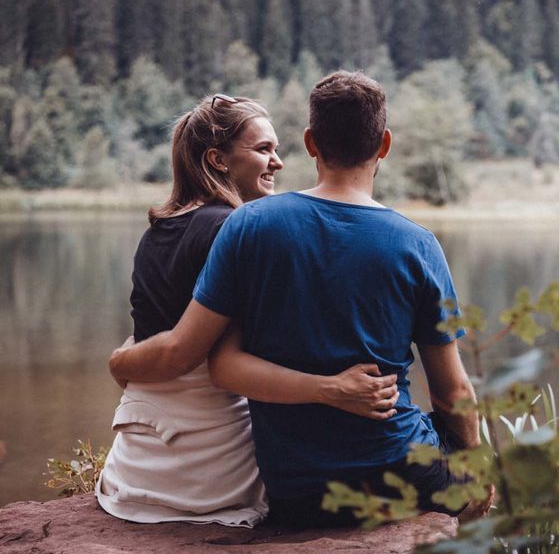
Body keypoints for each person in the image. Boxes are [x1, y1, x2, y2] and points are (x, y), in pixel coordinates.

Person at [109, 72, 492, 529]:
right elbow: (452, 393)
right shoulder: (418, 243)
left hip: (296, 488)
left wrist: (121, 360)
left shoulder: (248, 224)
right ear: (384, 144)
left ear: (310, 142)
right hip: (399, 473)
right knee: (458, 433)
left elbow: (220, 364)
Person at [97, 94, 399, 528]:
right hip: (210, 469)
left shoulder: (158, 231)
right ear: (218, 159)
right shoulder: (234, 230)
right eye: (263, 149)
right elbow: (192, 354)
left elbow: (157, 341)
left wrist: (122, 359)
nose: (278, 162)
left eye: (276, 149)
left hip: (137, 467)